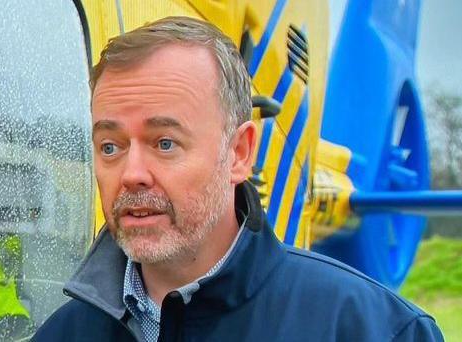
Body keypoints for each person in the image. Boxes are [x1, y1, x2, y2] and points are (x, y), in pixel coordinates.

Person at [32, 16, 443, 341]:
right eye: (110, 147)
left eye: (165, 143)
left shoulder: (374, 330)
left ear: (240, 153)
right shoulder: (62, 333)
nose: (132, 174)